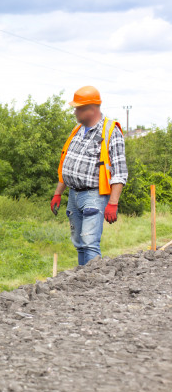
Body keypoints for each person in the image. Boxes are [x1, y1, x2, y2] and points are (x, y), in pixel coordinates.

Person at [51, 85, 127, 265]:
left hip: (94, 195)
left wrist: (113, 203)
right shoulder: (77, 130)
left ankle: (92, 286)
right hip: (73, 195)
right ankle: (82, 282)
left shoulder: (110, 131)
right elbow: (66, 165)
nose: (75, 112)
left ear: (91, 109)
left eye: (78, 108)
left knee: (89, 242)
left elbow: (120, 171)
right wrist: (58, 193)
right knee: (79, 243)